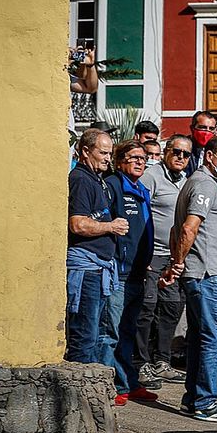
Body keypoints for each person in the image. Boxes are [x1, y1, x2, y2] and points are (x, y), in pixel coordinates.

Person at [161, 135, 217, 423]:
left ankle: (192, 399)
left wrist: (176, 263)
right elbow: (187, 229)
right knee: (216, 340)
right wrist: (178, 263)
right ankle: (206, 402)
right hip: (206, 274)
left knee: (198, 338)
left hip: (199, 273)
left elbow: (175, 229)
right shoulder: (205, 184)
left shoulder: (200, 183)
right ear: (210, 155)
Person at [101, 140, 158, 405]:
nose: (140, 162)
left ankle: (128, 382)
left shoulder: (142, 189)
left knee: (128, 330)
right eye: (134, 157)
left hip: (138, 272)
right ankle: (109, 387)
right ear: (120, 160)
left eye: (143, 158)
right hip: (118, 272)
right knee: (111, 331)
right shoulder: (112, 185)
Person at [66, 129, 127, 363]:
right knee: (85, 337)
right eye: (102, 152)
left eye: (109, 153)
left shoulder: (96, 180)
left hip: (99, 269)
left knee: (96, 336)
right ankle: (78, 395)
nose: (107, 158)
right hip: (87, 269)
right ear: (84, 151)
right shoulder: (81, 179)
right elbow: (77, 224)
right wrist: (110, 227)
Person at [136, 135, 192, 386]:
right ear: (166, 152)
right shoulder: (151, 176)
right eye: (176, 151)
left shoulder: (187, 182)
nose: (181, 157)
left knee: (171, 308)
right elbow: (140, 213)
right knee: (146, 309)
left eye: (186, 154)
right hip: (152, 254)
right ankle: (142, 363)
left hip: (174, 256)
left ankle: (163, 361)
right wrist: (143, 254)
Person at [184, 110, 217, 176]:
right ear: (192, 128)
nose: (207, 132)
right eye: (203, 127)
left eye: (211, 129)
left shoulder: (216, 151)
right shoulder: (183, 148)